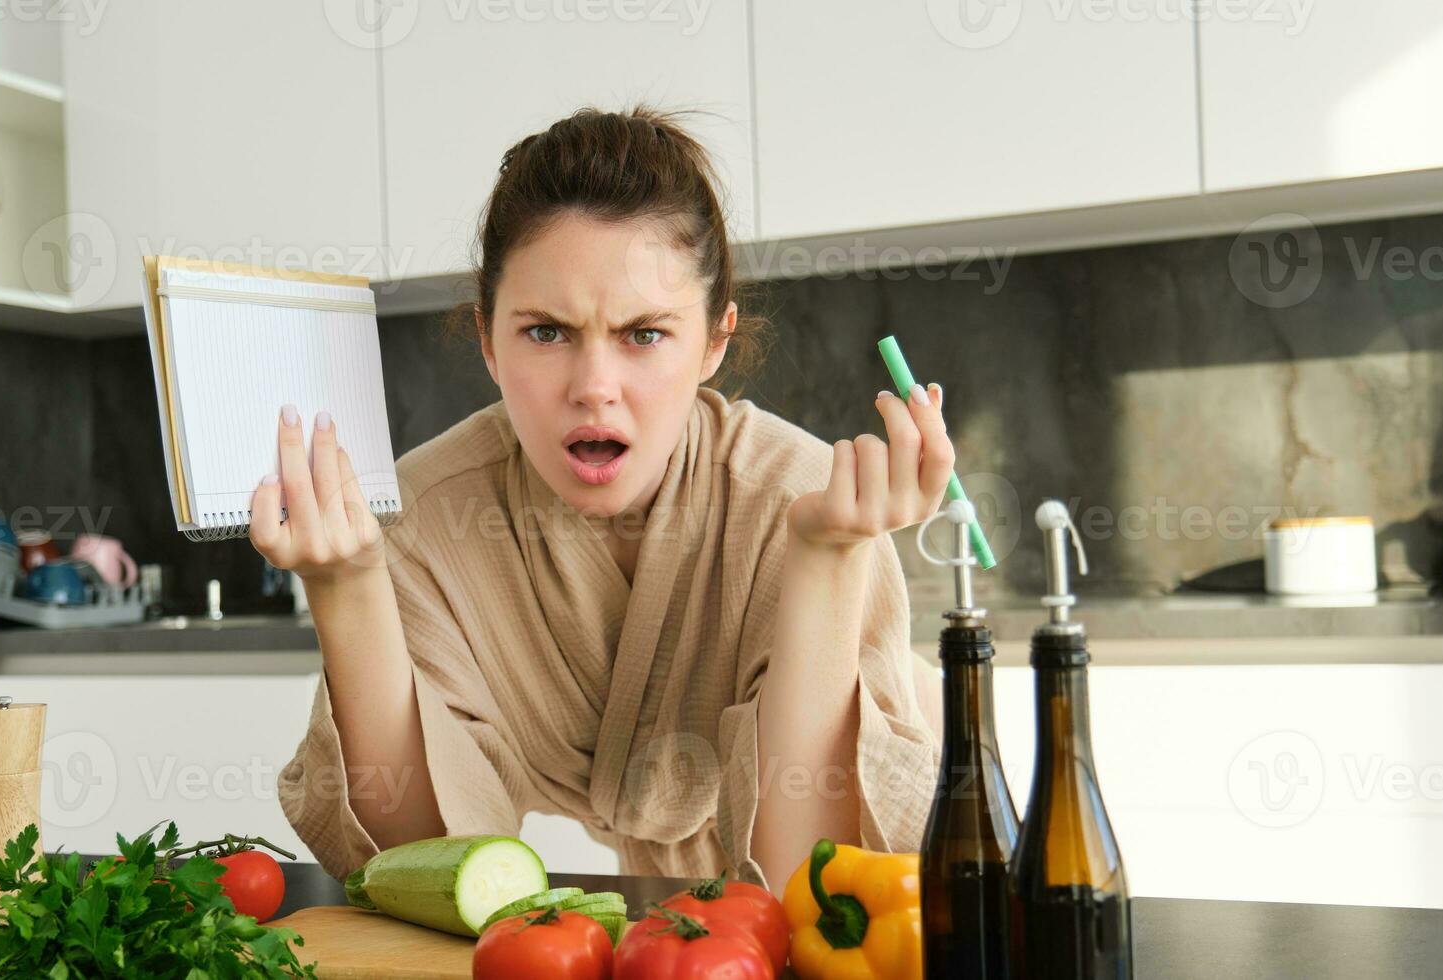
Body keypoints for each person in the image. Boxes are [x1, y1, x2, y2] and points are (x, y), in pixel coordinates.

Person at [264, 106, 950, 889]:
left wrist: (829, 560)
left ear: (715, 343)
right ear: (488, 340)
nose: (594, 389)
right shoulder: (427, 521)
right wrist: (345, 588)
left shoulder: (797, 501)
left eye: (644, 334)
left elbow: (816, 878)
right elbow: (423, 864)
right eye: (547, 333)